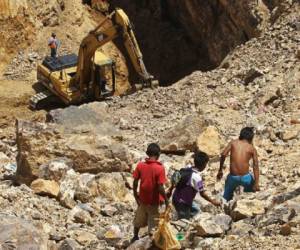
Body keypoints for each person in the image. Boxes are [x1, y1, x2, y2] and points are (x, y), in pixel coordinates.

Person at [131, 143, 168, 243]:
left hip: (142, 200)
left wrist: (135, 195)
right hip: (154, 202)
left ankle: (135, 237)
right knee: (153, 224)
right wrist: (166, 199)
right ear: (158, 154)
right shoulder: (160, 168)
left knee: (138, 220)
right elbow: (160, 187)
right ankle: (151, 242)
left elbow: (135, 182)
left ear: (147, 153)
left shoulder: (140, 165)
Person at [168, 151, 220, 220]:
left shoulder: (187, 168)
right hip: (183, 203)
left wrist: (170, 189)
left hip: (176, 198)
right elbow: (202, 193)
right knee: (184, 222)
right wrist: (212, 201)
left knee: (196, 211)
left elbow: (176, 178)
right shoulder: (197, 178)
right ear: (204, 165)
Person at [217, 127, 260, 201]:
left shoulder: (233, 143)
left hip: (233, 177)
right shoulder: (252, 148)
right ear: (251, 138)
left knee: (226, 196)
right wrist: (256, 183)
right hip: (245, 178)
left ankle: (225, 201)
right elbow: (255, 165)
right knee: (252, 195)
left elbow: (223, 154)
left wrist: (220, 170)